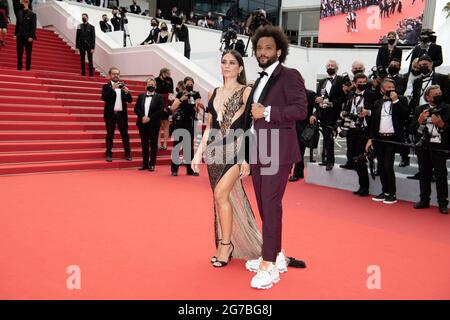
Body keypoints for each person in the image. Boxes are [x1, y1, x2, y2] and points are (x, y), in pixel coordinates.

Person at [243, 25, 308, 289]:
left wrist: (267, 112)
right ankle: (277, 253)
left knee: (270, 204)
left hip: (278, 151)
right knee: (263, 203)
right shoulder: (259, 80)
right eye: (259, 48)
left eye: (268, 47)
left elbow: (300, 109)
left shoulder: (289, 75)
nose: (262, 52)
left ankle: (268, 264)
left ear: (279, 50)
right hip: (259, 149)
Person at [191, 50, 262, 268]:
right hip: (214, 151)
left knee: (221, 195)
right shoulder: (213, 92)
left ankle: (226, 244)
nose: (227, 65)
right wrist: (197, 152)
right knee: (220, 198)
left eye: (232, 62)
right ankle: (226, 244)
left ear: (240, 68)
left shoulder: (246, 91)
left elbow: (250, 127)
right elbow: (209, 127)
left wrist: (245, 158)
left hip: (235, 149)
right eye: (224, 62)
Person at [366, 79, 409, 204]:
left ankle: (392, 193)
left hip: (392, 139)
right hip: (379, 138)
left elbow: (405, 115)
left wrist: (395, 101)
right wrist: (371, 139)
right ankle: (385, 191)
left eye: (392, 86)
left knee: (387, 166)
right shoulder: (377, 103)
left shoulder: (401, 99)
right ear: (382, 90)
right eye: (388, 87)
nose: (391, 89)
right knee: (380, 166)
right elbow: (374, 122)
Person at [411, 85, 449, 214]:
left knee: (441, 175)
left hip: (439, 147)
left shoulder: (447, 108)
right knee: (424, 174)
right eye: (435, 94)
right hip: (423, 146)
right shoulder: (419, 109)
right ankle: (424, 200)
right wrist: (419, 121)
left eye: (440, 93)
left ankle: (443, 203)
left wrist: (441, 124)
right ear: (427, 97)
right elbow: (411, 129)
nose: (438, 95)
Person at [340, 73, 376, 197]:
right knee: (352, 157)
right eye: (359, 82)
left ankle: (364, 187)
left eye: (364, 81)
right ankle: (361, 185)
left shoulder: (371, 95)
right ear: (354, 83)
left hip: (363, 131)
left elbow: (376, 112)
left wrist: (368, 112)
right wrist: (344, 113)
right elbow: (348, 108)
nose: (362, 84)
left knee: (360, 159)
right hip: (351, 129)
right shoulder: (351, 94)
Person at [310, 60, 345, 171]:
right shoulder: (322, 81)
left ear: (336, 68)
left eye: (332, 65)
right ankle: (325, 159)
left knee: (329, 138)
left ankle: (330, 161)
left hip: (334, 114)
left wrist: (332, 103)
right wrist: (317, 99)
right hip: (322, 113)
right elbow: (317, 95)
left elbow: (343, 97)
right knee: (324, 137)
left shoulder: (340, 80)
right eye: (328, 65)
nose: (330, 67)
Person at [170, 77, 202, 176]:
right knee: (177, 145)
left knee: (189, 146)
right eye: (188, 83)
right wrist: (181, 99)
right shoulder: (180, 94)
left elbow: (197, 110)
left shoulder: (196, 94)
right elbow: (173, 107)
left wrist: (196, 105)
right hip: (179, 122)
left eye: (191, 84)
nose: (189, 85)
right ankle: (174, 169)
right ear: (184, 84)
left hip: (190, 121)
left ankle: (189, 169)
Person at [101, 67, 132, 162]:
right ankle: (109, 153)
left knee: (124, 134)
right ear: (110, 75)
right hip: (110, 115)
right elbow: (104, 98)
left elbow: (130, 101)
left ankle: (127, 153)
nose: (116, 75)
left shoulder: (123, 86)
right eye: (114, 74)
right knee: (110, 134)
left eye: (117, 74)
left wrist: (128, 92)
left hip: (121, 115)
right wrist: (112, 89)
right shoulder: (106, 87)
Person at [134, 78, 165, 172]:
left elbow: (160, 110)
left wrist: (149, 118)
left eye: (152, 84)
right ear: (145, 86)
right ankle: (145, 163)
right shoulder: (141, 96)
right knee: (144, 144)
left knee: (153, 144)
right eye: (149, 84)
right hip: (142, 123)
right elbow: (136, 108)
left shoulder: (159, 97)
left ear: (155, 86)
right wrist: (142, 116)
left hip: (154, 124)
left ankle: (152, 164)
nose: (150, 86)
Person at [289, 89, 317, 181]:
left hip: (304, 126)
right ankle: (298, 172)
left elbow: (318, 107)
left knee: (299, 149)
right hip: (290, 125)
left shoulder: (310, 94)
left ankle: (297, 173)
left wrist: (314, 115)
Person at [14, 0, 36, 71]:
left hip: (28, 37)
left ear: (26, 3)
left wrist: (31, 36)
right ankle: (19, 67)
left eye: (22, 2)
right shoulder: (19, 13)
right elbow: (17, 25)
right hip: (20, 36)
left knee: (28, 53)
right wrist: (15, 34)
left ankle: (28, 67)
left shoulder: (33, 14)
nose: (21, 4)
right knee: (19, 52)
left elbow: (33, 27)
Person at [155, 68, 173, 150]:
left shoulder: (170, 80)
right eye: (167, 74)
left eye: (169, 74)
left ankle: (165, 143)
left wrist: (171, 97)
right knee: (158, 125)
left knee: (166, 124)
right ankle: (158, 143)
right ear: (162, 73)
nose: (168, 76)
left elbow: (171, 91)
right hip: (158, 102)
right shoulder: (156, 80)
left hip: (167, 103)